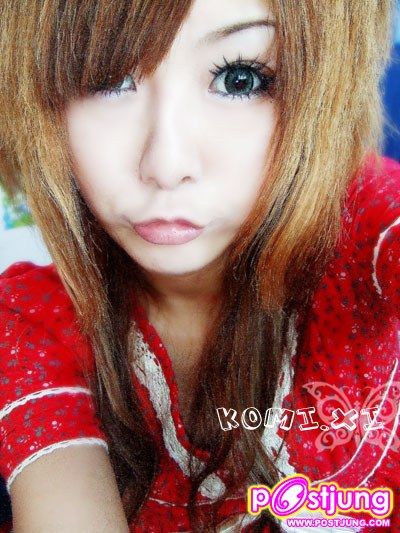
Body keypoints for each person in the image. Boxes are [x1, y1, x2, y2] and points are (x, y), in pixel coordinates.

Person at [0, 0, 399, 531]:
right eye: (107, 80)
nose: (166, 166)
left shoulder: (367, 229)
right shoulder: (31, 320)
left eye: (239, 79)